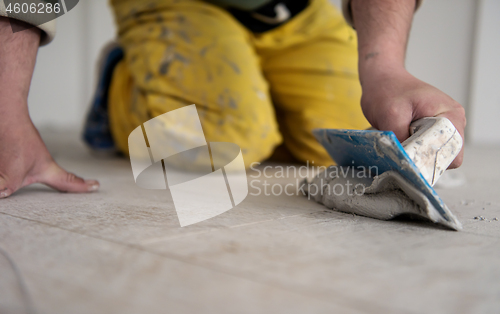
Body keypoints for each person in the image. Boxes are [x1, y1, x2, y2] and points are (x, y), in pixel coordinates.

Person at [0, 0, 466, 199]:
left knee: (349, 135)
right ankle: (122, 86)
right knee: (232, 138)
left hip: (291, 11)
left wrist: (384, 67)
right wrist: (7, 105)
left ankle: (257, 87)